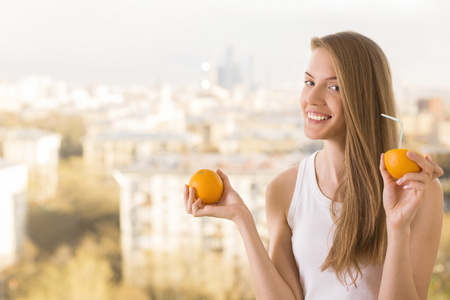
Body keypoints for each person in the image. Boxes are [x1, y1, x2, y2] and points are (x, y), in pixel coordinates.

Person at [183, 31, 444, 299]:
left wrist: (397, 228)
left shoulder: (416, 191)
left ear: (366, 98)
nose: (312, 98)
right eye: (309, 82)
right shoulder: (284, 190)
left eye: (334, 87)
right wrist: (242, 219)